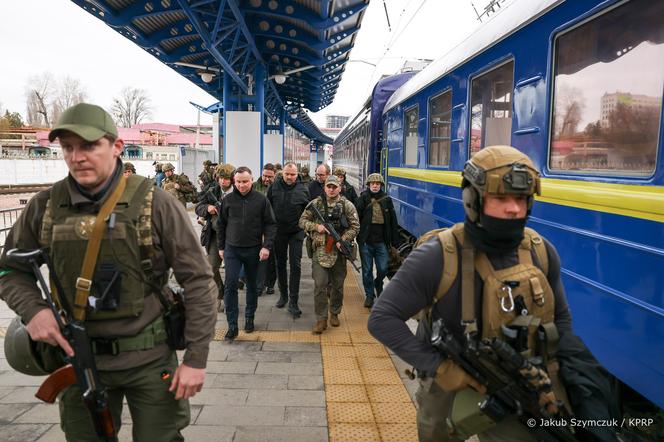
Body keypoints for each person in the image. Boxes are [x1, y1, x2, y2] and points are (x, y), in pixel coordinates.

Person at [0, 103, 217, 440]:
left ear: (116, 147)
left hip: (150, 359)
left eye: (89, 145)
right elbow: (9, 271)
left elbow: (200, 282)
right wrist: (34, 312)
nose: (77, 156)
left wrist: (196, 359)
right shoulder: (45, 206)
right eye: (68, 147)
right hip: (78, 361)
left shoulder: (156, 203)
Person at [368, 145, 579, 441]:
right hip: (450, 381)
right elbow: (382, 318)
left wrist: (565, 376)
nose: (514, 208)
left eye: (521, 199)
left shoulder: (540, 251)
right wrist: (438, 367)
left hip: (516, 380)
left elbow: (562, 318)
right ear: (473, 200)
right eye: (501, 198)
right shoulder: (438, 256)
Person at [217, 166, 276, 340]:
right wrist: (221, 247)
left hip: (253, 249)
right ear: (234, 182)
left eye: (245, 181)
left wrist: (267, 246)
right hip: (232, 249)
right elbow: (221, 225)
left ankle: (249, 317)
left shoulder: (261, 200)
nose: (242, 185)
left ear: (252, 180)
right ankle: (232, 325)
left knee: (252, 285)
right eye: (239, 182)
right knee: (230, 285)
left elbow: (271, 224)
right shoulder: (227, 200)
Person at [299, 175, 359, 334]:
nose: (331, 189)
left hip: (338, 253)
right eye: (329, 186)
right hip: (320, 251)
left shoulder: (347, 205)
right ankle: (321, 319)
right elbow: (302, 221)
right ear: (324, 187)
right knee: (320, 285)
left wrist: (343, 240)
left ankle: (335, 312)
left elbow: (355, 227)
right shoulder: (315, 204)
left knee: (338, 286)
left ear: (340, 188)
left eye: (334, 187)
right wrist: (316, 227)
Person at [267, 162, 310, 317]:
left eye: (293, 174)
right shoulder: (274, 187)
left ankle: (293, 300)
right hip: (279, 231)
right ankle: (283, 295)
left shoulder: (303, 189)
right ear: (282, 173)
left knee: (296, 265)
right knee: (280, 264)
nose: (290, 177)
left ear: (297, 174)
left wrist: (304, 230)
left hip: (296, 232)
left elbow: (309, 212)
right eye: (287, 174)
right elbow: (268, 208)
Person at [355, 173, 400, 308]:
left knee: (383, 267)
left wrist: (394, 242)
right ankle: (369, 295)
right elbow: (355, 219)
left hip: (382, 241)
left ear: (381, 185)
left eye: (378, 184)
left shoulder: (386, 199)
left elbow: (393, 221)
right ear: (368, 185)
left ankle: (378, 282)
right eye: (372, 184)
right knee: (367, 270)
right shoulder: (362, 199)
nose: (375, 186)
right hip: (366, 241)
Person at [195, 163, 235, 312]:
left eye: (226, 178)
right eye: (220, 178)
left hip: (233, 236)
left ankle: (230, 299)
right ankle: (219, 294)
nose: (222, 181)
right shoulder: (213, 191)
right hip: (214, 235)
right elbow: (199, 206)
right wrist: (208, 208)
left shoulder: (239, 191)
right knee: (210, 268)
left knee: (233, 271)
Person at [253, 163, 277, 295]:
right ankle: (259, 284)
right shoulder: (255, 186)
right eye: (264, 176)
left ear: (274, 175)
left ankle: (270, 284)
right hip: (257, 226)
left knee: (272, 257)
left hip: (272, 226)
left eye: (270, 176)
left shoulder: (277, 187)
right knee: (259, 256)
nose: (267, 179)